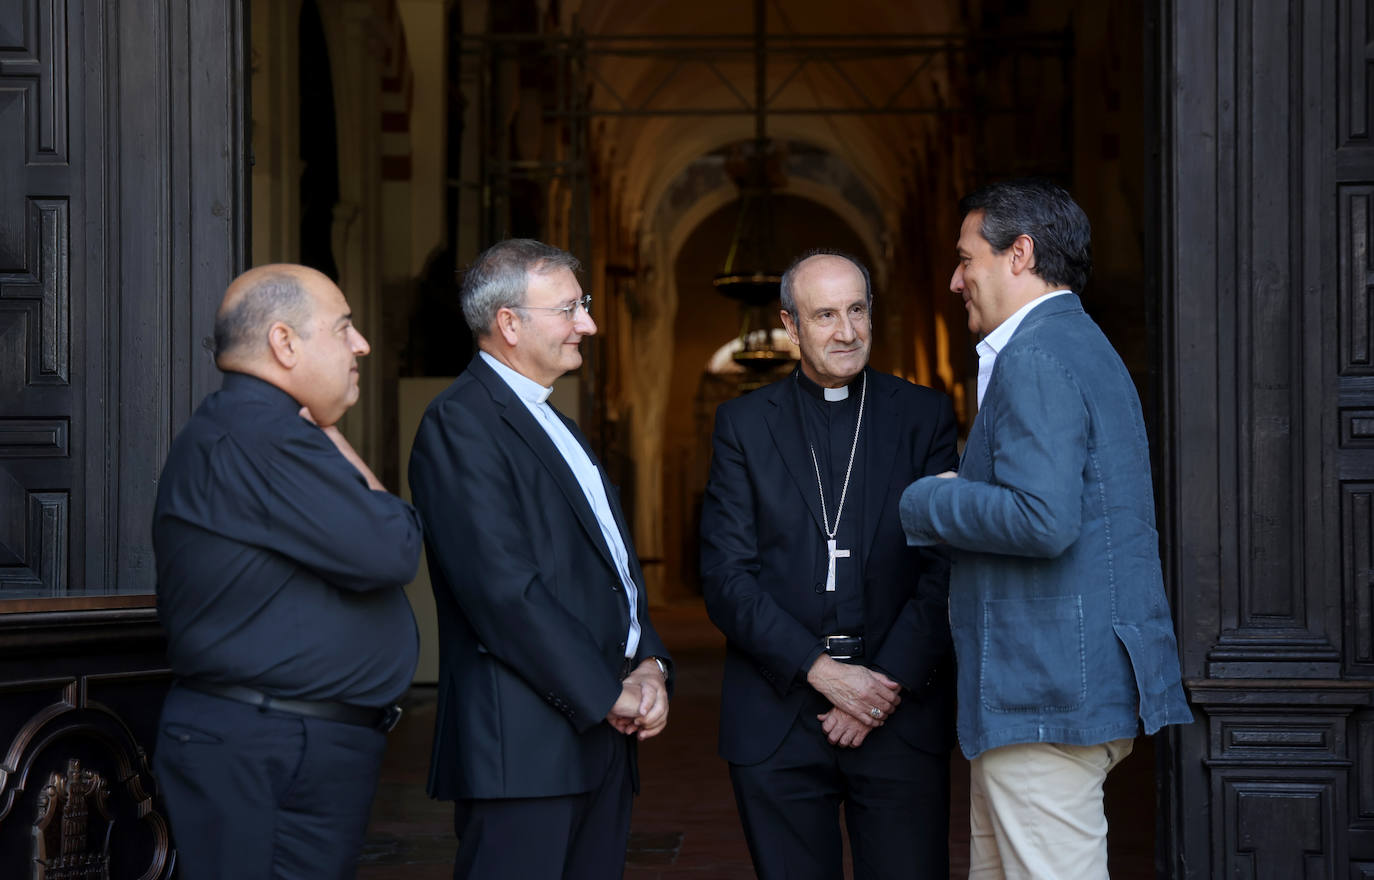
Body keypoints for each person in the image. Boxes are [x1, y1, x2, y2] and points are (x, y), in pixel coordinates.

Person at [900, 178, 1193, 878]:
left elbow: (1041, 518)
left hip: (1042, 690)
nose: (955, 279)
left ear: (1019, 254)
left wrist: (928, 500)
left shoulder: (1034, 357)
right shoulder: (1080, 343)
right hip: (1054, 686)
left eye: (967, 258)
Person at [408, 238, 673, 879]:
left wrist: (649, 663)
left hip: (599, 738)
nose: (588, 323)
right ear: (509, 323)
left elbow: (610, 568)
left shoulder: (554, 420)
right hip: (521, 753)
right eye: (571, 308)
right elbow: (504, 591)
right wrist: (607, 691)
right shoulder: (460, 423)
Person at [152, 264, 422, 878]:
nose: (362, 345)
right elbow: (395, 546)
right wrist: (329, 432)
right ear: (284, 342)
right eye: (345, 328)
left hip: (282, 743)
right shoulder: (261, 436)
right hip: (267, 746)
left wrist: (323, 429)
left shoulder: (253, 430)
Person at [699, 250, 959, 879]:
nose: (846, 331)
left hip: (899, 710)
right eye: (825, 315)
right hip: (779, 712)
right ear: (790, 325)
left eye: (857, 310)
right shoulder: (742, 424)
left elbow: (947, 565)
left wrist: (881, 684)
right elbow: (727, 577)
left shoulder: (922, 414)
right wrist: (822, 672)